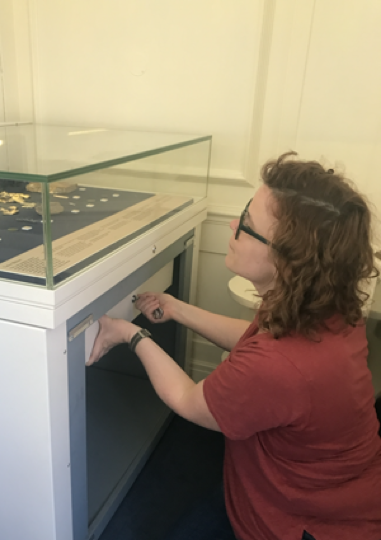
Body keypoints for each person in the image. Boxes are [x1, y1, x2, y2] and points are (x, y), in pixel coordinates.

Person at [88, 152, 381, 540]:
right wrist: (177, 309)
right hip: (344, 488)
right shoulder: (327, 306)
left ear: (287, 260)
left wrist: (130, 334)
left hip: (297, 522)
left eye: (246, 223)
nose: (232, 224)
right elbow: (256, 339)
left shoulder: (278, 366)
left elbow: (188, 400)